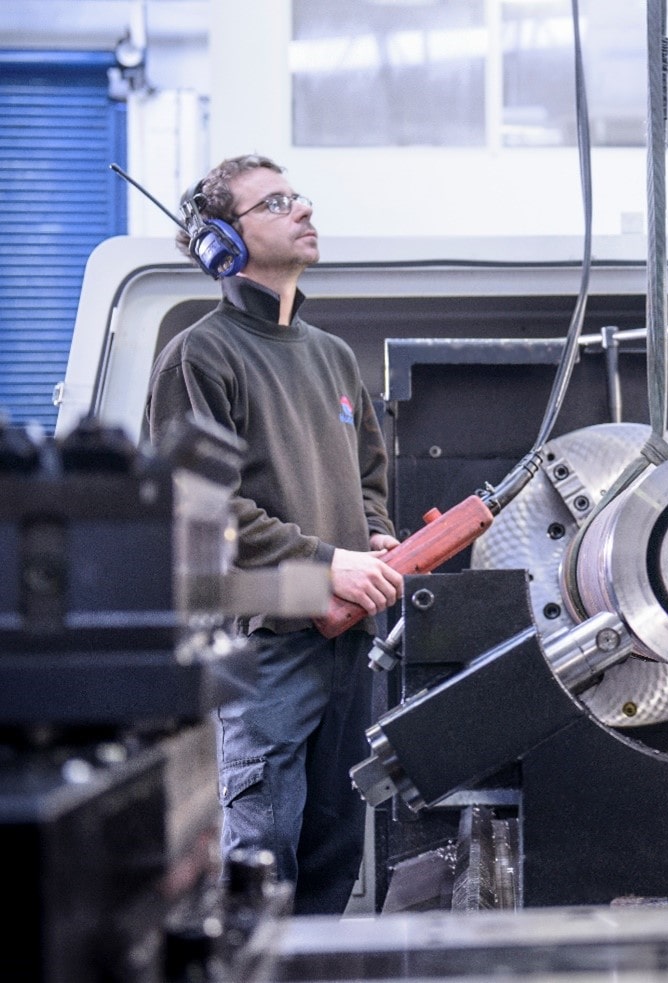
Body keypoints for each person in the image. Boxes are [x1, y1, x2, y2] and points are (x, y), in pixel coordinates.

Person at [144, 154, 403, 916]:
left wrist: (377, 540)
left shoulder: (332, 356)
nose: (303, 209)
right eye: (277, 202)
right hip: (264, 648)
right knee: (261, 857)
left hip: (347, 639)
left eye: (299, 196)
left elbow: (369, 480)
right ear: (223, 240)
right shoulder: (202, 354)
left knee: (331, 850)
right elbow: (203, 510)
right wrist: (328, 562)